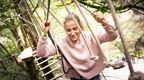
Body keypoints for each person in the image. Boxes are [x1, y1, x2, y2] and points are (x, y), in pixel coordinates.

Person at [36, 12, 118, 80]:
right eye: (68, 30)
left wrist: (103, 22)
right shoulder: (61, 44)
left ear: (80, 27)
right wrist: (44, 33)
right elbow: (41, 53)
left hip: (95, 77)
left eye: (75, 28)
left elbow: (112, 36)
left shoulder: (90, 36)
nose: (72, 33)